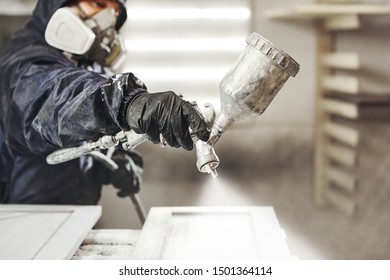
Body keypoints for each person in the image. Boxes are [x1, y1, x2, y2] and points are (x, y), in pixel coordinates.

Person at [0, 0, 210, 205]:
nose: (107, 18)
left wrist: (113, 154)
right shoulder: (25, 63)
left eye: (115, 12)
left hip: (69, 214)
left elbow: (78, 127)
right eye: (98, 4)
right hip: (18, 217)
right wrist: (127, 102)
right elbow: (52, 100)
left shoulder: (85, 63)